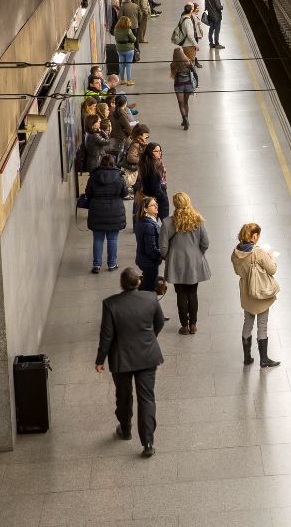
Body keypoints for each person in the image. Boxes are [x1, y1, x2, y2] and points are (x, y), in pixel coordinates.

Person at [94, 267, 165, 458]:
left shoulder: (110, 304)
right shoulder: (150, 298)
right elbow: (160, 322)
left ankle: (125, 429)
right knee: (147, 399)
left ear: (121, 284)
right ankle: (148, 442)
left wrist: (100, 360)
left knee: (123, 396)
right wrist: (150, 339)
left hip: (121, 359)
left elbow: (107, 335)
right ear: (139, 282)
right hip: (147, 356)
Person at [160, 192, 211, 335]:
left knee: (180, 294)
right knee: (193, 293)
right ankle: (193, 324)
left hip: (176, 263)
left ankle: (184, 326)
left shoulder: (167, 222)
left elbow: (163, 247)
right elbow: (205, 243)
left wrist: (167, 257)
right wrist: (197, 253)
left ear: (175, 204)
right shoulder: (197, 220)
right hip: (194, 262)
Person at [231, 223, 281, 367]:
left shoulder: (235, 252)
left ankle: (247, 358)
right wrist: (271, 257)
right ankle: (264, 359)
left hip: (246, 292)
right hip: (260, 292)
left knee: (248, 322)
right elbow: (272, 269)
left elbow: (237, 271)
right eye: (258, 235)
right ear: (254, 236)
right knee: (262, 324)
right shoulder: (257, 252)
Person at [86, 155, 128, 274]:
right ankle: (112, 264)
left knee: (98, 239)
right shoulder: (119, 177)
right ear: (113, 164)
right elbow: (124, 193)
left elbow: (88, 193)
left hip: (97, 210)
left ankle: (97, 265)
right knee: (112, 238)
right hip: (114, 210)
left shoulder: (94, 176)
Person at [134, 197, 162, 292]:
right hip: (149, 262)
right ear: (145, 209)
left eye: (156, 204)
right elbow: (151, 249)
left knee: (147, 283)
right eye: (152, 205)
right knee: (150, 289)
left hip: (143, 260)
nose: (156, 206)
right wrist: (162, 254)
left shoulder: (143, 221)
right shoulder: (149, 225)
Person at [138, 142, 169, 220]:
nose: (159, 153)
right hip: (157, 197)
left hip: (147, 195)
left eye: (160, 150)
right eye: (156, 151)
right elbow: (156, 188)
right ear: (150, 153)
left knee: (150, 219)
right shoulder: (154, 168)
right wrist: (163, 197)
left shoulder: (145, 163)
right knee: (164, 221)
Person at [170, 47, 197, 129]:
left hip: (179, 85)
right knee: (186, 102)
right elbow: (195, 73)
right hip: (188, 84)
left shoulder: (173, 64)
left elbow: (173, 75)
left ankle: (185, 120)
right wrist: (196, 83)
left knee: (181, 104)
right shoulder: (188, 62)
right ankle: (186, 119)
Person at [189, 3, 204, 68]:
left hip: (196, 35)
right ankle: (194, 62)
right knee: (193, 49)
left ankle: (193, 62)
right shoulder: (192, 16)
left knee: (194, 50)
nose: (198, 9)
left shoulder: (195, 15)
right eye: (197, 8)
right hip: (194, 35)